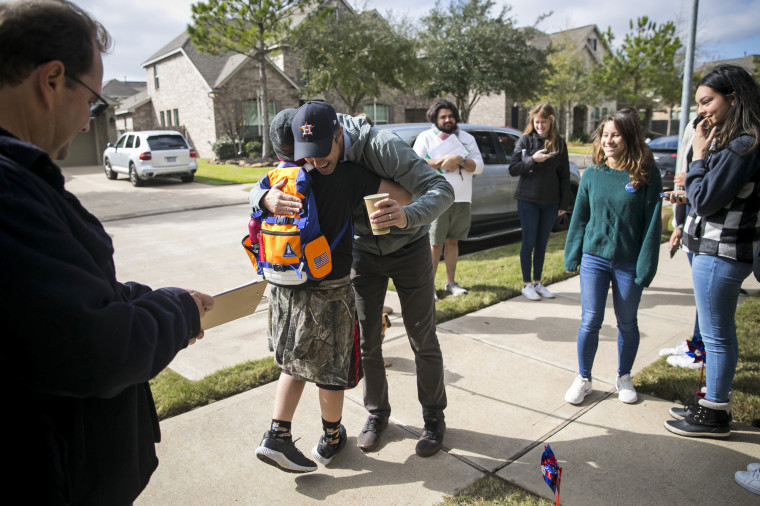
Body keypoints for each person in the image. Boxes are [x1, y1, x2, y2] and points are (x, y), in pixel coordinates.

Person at [0, 1, 214, 503]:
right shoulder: (11, 192)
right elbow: (95, 349)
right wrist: (179, 310)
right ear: (52, 81)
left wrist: (144, 296)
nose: (86, 123)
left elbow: (53, 296)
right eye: (94, 101)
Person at [249, 101, 454, 458]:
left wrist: (407, 216)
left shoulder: (383, 146)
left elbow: (441, 189)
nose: (313, 164)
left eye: (321, 156)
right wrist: (263, 197)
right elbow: (271, 181)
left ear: (339, 135)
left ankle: (434, 418)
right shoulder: (309, 149)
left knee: (422, 336)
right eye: (306, 158)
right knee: (367, 340)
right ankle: (377, 415)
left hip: (408, 247)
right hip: (363, 253)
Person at [664, 64, 760, 438]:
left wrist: (700, 155)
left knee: (717, 335)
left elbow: (703, 200)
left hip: (721, 251)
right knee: (719, 332)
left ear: (733, 98)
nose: (701, 110)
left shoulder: (744, 145)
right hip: (714, 248)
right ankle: (710, 399)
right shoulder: (738, 139)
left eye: (707, 101)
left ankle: (714, 412)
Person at [563, 110, 662, 406]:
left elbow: (653, 224)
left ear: (629, 137)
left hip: (629, 261)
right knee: (590, 320)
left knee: (627, 322)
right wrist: (573, 253)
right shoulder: (592, 174)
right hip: (595, 257)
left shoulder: (646, 175)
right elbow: (580, 216)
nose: (608, 140)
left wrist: (646, 266)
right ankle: (583, 378)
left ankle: (623, 377)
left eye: (615, 134)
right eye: (605, 134)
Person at [413, 98, 483, 299]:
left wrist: (459, 160)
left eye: (451, 115)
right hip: (436, 199)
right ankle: (429, 286)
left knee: (453, 241)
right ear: (435, 118)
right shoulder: (426, 137)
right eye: (443, 116)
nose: (448, 119)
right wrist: (441, 161)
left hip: (462, 199)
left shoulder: (467, 138)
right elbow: (416, 164)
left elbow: (479, 166)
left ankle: (450, 283)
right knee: (434, 244)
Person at [508, 103, 571, 300]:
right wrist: (532, 160)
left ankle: (538, 282)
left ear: (551, 121)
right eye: (537, 122)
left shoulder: (559, 143)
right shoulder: (525, 140)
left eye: (544, 122)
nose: (540, 126)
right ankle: (526, 284)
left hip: (550, 202)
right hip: (528, 200)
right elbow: (513, 168)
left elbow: (565, 175)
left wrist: (563, 204)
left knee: (542, 243)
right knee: (529, 242)